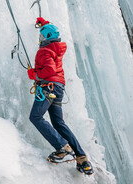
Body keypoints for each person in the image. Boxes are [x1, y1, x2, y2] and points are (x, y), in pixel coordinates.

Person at [27, 18, 94, 175]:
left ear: (47, 38)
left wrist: (34, 74)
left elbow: (48, 71)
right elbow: (51, 36)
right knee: (58, 123)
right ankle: (82, 158)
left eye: (42, 37)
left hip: (47, 87)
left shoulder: (44, 51)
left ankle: (62, 147)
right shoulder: (55, 48)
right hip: (58, 88)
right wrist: (44, 24)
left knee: (35, 117)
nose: (40, 40)